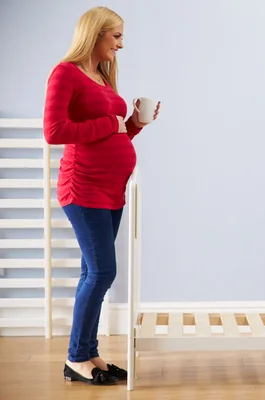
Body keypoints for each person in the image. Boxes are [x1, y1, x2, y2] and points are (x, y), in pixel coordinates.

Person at [43, 6, 160, 385]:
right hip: (83, 186)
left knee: (91, 272)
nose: (121, 45)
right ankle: (76, 358)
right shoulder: (65, 73)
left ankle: (88, 353)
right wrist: (110, 123)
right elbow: (55, 130)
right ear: (95, 34)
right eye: (117, 36)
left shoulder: (101, 77)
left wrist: (134, 126)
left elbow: (113, 134)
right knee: (102, 272)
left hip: (111, 190)